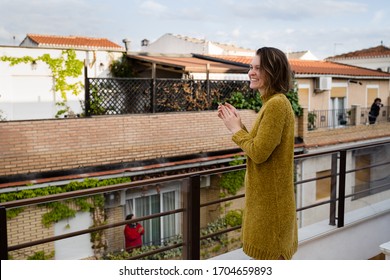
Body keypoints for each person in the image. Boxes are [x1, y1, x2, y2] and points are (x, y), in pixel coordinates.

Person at [217, 47, 298, 260]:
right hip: (269, 208)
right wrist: (238, 125)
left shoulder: (276, 105)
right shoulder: (272, 104)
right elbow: (260, 147)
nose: (251, 72)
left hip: (272, 213)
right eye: (250, 67)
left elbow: (258, 153)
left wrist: (235, 130)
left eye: (258, 68)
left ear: (273, 72)